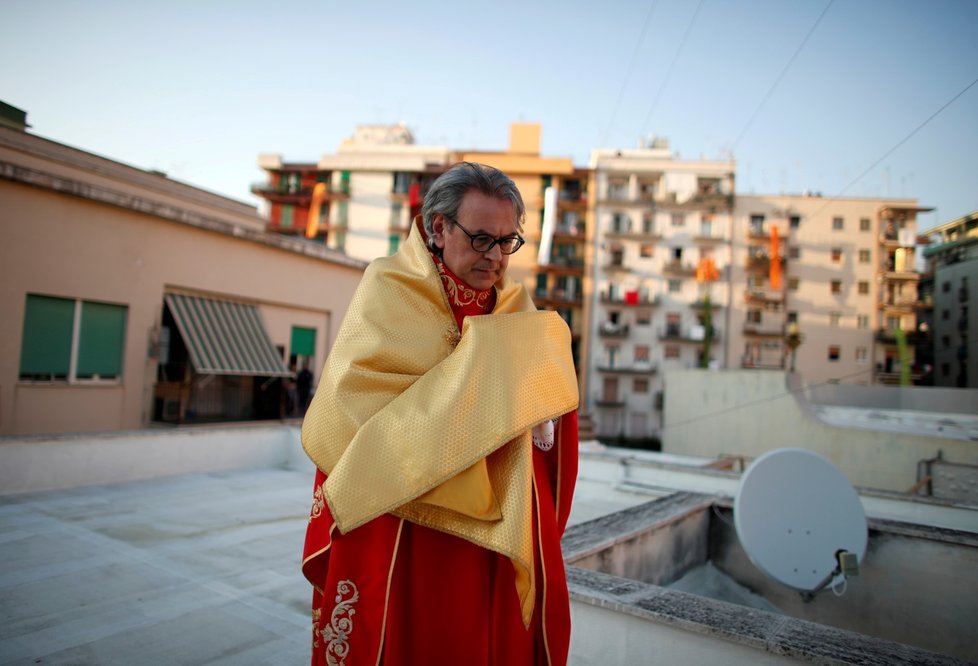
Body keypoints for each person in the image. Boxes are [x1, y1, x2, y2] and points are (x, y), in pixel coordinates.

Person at [300, 162, 580, 665]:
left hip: (489, 538)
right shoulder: (388, 289)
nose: (495, 257)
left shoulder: (518, 309)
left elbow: (545, 414)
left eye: (507, 241)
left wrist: (542, 413)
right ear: (438, 227)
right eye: (480, 239)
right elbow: (348, 408)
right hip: (400, 524)